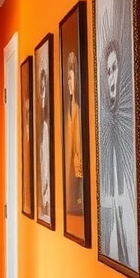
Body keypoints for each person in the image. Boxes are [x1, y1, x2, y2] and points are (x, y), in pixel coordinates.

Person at [100, 37, 137, 268]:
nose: (112, 76)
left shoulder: (126, 118)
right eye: (108, 71)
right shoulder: (104, 121)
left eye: (115, 69)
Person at [65, 51, 83, 215]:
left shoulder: (78, 109)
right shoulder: (70, 109)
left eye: (71, 78)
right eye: (68, 78)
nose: (69, 82)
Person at [37, 67, 50, 221]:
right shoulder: (40, 125)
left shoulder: (46, 127)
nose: (42, 93)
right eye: (41, 89)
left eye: (44, 88)